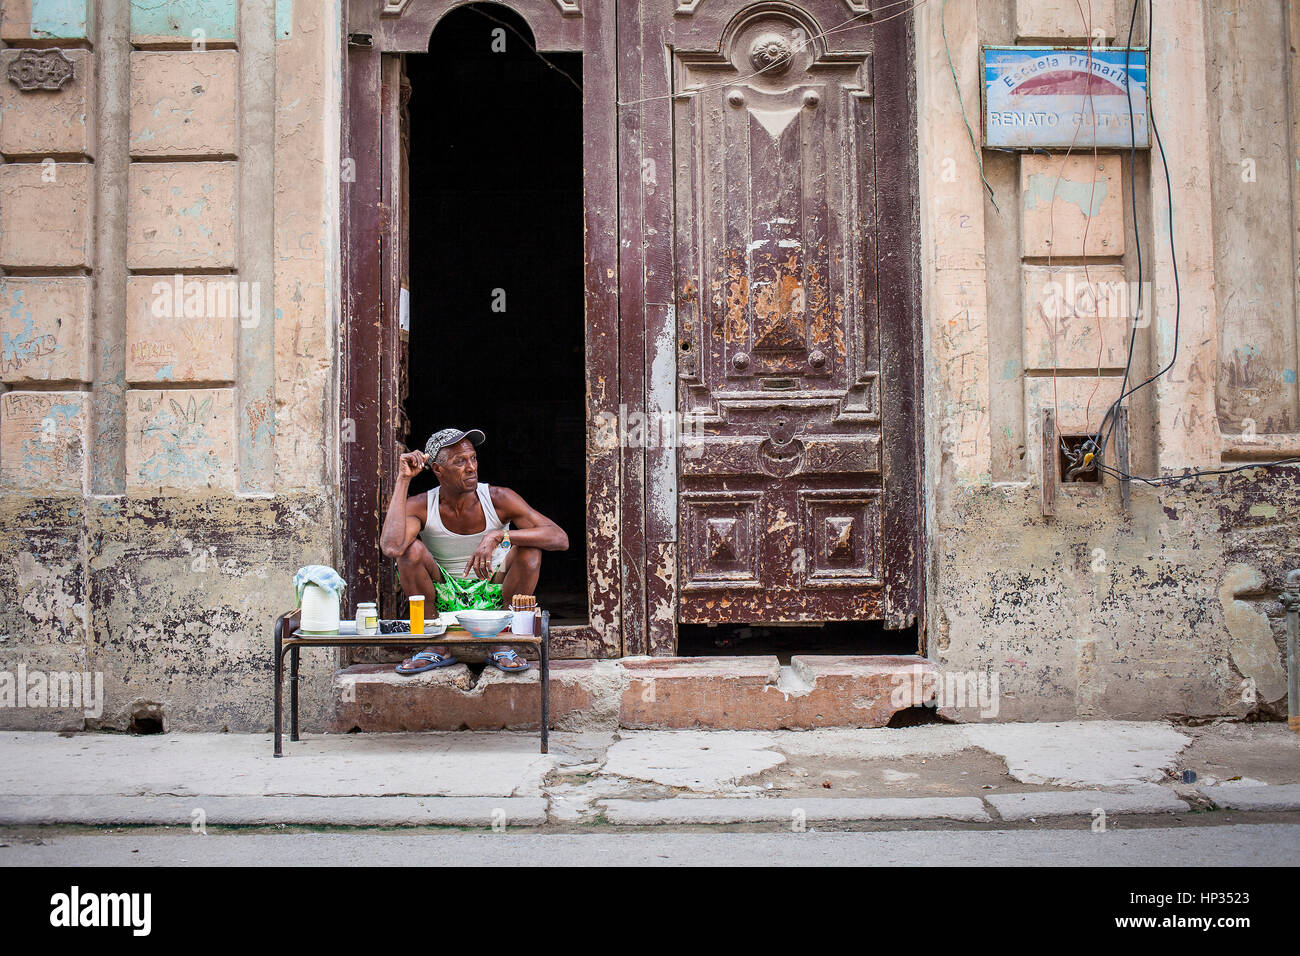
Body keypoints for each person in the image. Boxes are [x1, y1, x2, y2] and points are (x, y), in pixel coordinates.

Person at [378, 427, 568, 674]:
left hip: (495, 591)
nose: (471, 467)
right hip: (443, 597)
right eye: (460, 461)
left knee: (530, 550)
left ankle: (502, 640)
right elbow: (393, 546)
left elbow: (559, 538)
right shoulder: (423, 505)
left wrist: (500, 535)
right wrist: (404, 480)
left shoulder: (498, 498)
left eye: (473, 458)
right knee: (410, 551)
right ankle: (434, 645)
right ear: (438, 469)